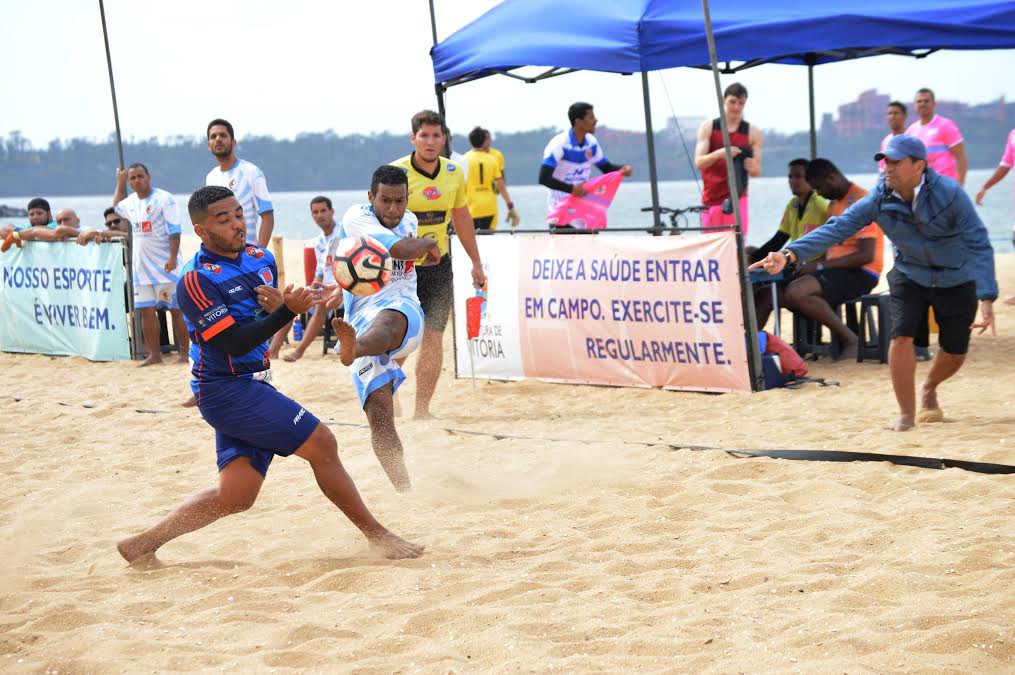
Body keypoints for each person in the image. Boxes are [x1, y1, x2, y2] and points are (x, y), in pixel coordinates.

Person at [116, 185, 423, 564]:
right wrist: (285, 313)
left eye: (239, 215)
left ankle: (142, 544)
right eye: (223, 219)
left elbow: (260, 319)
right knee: (323, 445)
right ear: (201, 230)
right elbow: (233, 343)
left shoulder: (260, 257)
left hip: (253, 382)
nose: (237, 224)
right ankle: (378, 536)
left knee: (236, 496)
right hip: (225, 390)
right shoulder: (195, 280)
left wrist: (279, 308)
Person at [751, 135, 997, 431]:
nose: (887, 168)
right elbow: (838, 227)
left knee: (955, 351)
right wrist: (789, 254)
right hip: (910, 273)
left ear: (919, 165)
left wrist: (986, 295)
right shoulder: (880, 196)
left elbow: (978, 242)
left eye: (895, 162)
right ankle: (907, 415)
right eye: (885, 162)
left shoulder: (950, 194)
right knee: (901, 338)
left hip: (956, 276)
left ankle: (929, 387)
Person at [330, 166, 441, 491]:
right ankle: (404, 491)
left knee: (388, 320)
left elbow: (406, 252)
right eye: (385, 201)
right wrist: (427, 244)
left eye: (400, 201)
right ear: (370, 198)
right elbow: (399, 250)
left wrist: (423, 245)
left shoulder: (410, 221)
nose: (393, 210)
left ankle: (355, 348)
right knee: (379, 415)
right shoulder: (356, 217)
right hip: (360, 317)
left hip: (404, 311)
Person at [389, 109, 486, 419]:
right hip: (401, 268)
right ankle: (385, 391)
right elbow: (380, 221)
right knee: (402, 335)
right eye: (424, 136)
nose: (430, 142)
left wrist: (476, 262)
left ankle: (422, 410)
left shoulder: (455, 172)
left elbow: (461, 216)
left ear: (444, 139)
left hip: (439, 266)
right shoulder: (396, 172)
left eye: (436, 136)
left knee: (433, 335)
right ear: (413, 138)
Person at [780, 158, 884, 359]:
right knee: (776, 291)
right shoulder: (834, 205)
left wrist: (818, 266)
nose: (818, 194)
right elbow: (826, 244)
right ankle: (802, 344)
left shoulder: (862, 200)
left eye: (819, 188)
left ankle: (849, 339)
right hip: (835, 270)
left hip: (862, 273)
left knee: (796, 292)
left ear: (832, 178)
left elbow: (866, 255)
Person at [114, 163, 191, 367]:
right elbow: (117, 207)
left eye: (140, 176)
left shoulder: (164, 199)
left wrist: (173, 257)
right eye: (132, 178)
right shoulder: (130, 202)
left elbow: (174, 230)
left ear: (149, 177)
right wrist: (120, 183)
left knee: (176, 310)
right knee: (146, 312)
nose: (137, 180)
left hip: (166, 267)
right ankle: (154, 355)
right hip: (141, 270)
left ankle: (185, 353)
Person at [749, 158, 829, 329]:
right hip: (793, 262)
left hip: (810, 267)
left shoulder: (819, 205)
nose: (793, 181)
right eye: (790, 177)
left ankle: (751, 341)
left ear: (810, 179)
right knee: (753, 279)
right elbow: (778, 239)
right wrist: (752, 257)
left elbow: (821, 247)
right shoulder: (792, 205)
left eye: (798, 176)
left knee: (764, 294)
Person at [539, 102, 633, 230]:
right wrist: (572, 189)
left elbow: (606, 168)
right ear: (579, 122)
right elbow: (544, 178)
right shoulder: (559, 143)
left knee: (590, 249)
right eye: (591, 117)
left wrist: (623, 169)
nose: (595, 121)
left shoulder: (591, 142)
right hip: (561, 211)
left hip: (584, 210)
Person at [271, 196, 343, 361]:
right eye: (315, 212)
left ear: (332, 212)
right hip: (324, 286)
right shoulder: (319, 242)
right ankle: (273, 351)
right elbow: (320, 271)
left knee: (320, 305)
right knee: (293, 300)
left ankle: (299, 351)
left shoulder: (343, 234)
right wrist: (310, 288)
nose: (320, 215)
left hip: (343, 287)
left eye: (323, 211)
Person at [694, 82, 762, 235]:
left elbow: (757, 171)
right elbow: (699, 162)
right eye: (732, 102)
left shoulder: (752, 132)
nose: (736, 107)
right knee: (711, 246)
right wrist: (720, 153)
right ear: (724, 100)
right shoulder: (709, 127)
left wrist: (753, 166)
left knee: (737, 245)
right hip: (711, 198)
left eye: (741, 103)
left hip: (738, 197)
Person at [205, 118, 274, 247]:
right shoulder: (211, 177)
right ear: (209, 145)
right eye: (213, 136)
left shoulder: (251, 172)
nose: (218, 139)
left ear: (233, 142)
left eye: (223, 135)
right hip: (221, 256)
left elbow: (267, 215)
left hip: (247, 253)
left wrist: (259, 252)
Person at [906, 88, 967, 185]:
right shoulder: (910, 131)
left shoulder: (946, 125)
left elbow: (961, 157)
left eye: (926, 101)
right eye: (919, 101)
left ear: (934, 104)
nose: (923, 104)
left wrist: (959, 187)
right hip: (922, 189)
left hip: (945, 187)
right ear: (915, 105)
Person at [464, 127, 519, 231]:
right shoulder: (492, 160)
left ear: (470, 141)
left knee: (472, 241)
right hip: (489, 207)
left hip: (470, 208)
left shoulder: (463, 159)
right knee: (487, 241)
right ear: (484, 140)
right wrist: (510, 206)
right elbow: (501, 186)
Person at [1, 198, 80, 251]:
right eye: (31, 214)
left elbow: (39, 231)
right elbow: (4, 229)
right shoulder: (28, 227)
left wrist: (18, 235)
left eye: (39, 213)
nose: (35, 217)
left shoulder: (57, 224)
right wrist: (20, 233)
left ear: (49, 214)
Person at [879, 101, 908, 173]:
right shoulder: (885, 141)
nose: (892, 116)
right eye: (889, 114)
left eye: (896, 113)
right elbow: (882, 169)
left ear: (905, 116)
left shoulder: (911, 139)